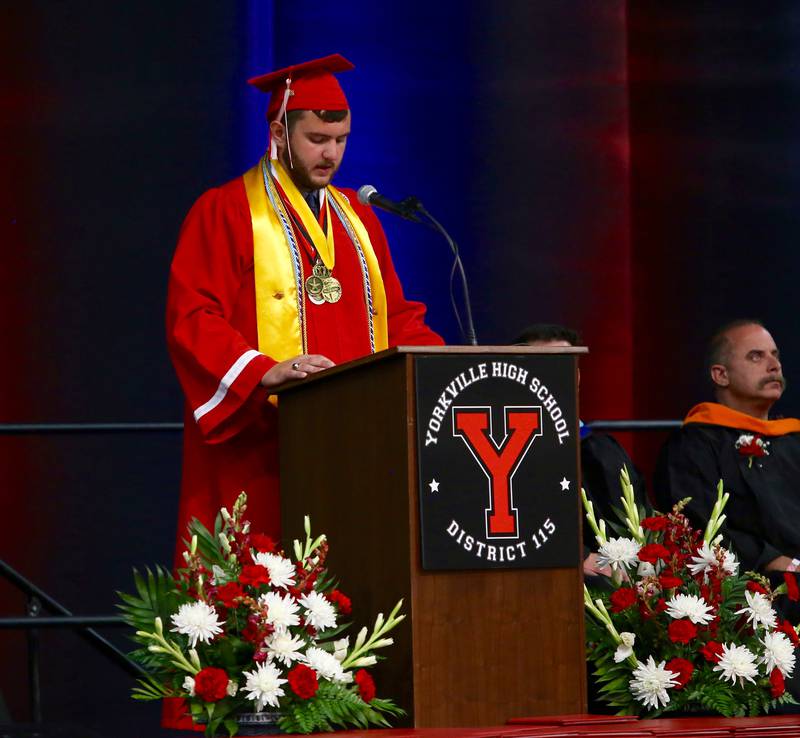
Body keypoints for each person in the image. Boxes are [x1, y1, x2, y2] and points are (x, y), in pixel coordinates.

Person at [166, 52, 443, 556]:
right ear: (278, 133)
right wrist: (262, 372)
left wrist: (441, 368)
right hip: (263, 440)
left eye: (340, 141)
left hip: (353, 442)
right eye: (317, 139)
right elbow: (193, 316)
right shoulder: (225, 210)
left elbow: (394, 316)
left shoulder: (360, 217)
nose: (331, 155)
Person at [655, 319, 800, 579]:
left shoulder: (793, 439)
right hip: (757, 587)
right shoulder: (694, 445)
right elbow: (695, 524)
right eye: (756, 356)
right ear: (721, 375)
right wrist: (771, 559)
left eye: (775, 355)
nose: (774, 365)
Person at [513, 323, 649, 578]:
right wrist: (581, 556)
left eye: (564, 367)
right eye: (542, 368)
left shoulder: (601, 450)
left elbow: (641, 516)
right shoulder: (508, 455)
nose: (554, 378)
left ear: (576, 378)